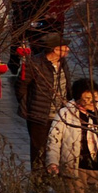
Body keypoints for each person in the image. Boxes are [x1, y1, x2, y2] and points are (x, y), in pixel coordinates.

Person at [18, 37, 70, 172]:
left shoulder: (63, 63)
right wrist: (28, 104)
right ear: (55, 49)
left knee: (57, 148)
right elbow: (21, 86)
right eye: (64, 47)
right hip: (39, 114)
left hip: (60, 115)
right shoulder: (35, 64)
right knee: (39, 150)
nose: (68, 49)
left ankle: (53, 175)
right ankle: (39, 179)